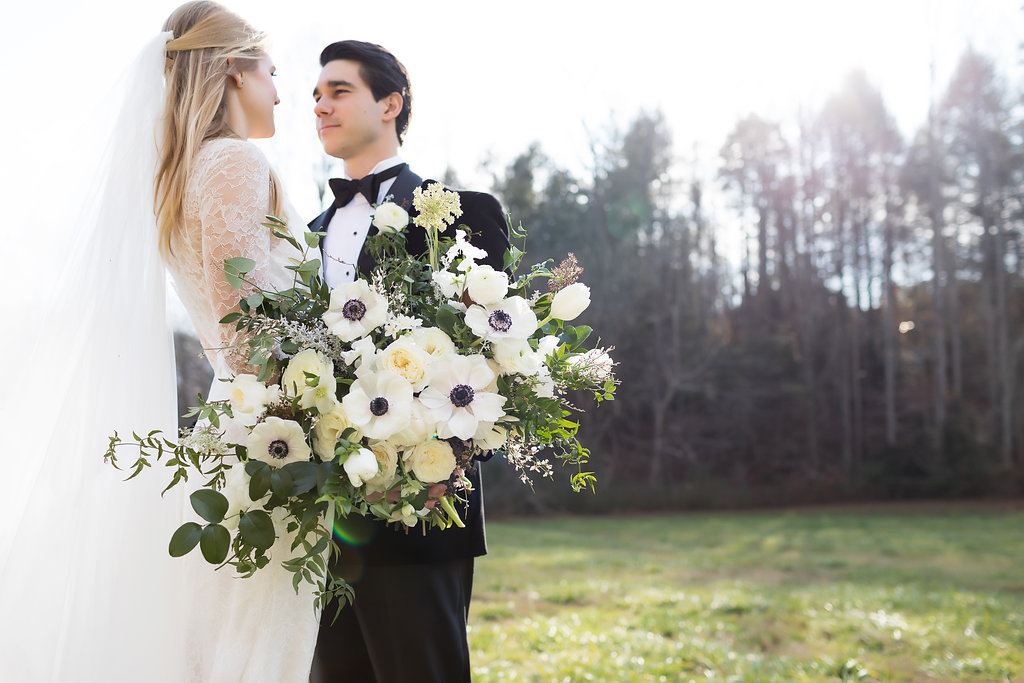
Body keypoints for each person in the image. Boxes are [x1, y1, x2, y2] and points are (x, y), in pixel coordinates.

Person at [0, 2, 320, 681]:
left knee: (224, 634)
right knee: (256, 644)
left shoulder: (183, 172)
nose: (282, 91)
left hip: (240, 422)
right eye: (271, 69)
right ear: (234, 72)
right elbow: (246, 330)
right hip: (273, 430)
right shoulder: (232, 161)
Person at [308, 40, 509, 683]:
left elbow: (485, 366)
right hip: (325, 517)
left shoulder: (466, 215)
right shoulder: (307, 233)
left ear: (390, 104)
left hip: (421, 504)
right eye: (316, 95)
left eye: (339, 91)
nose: (321, 105)